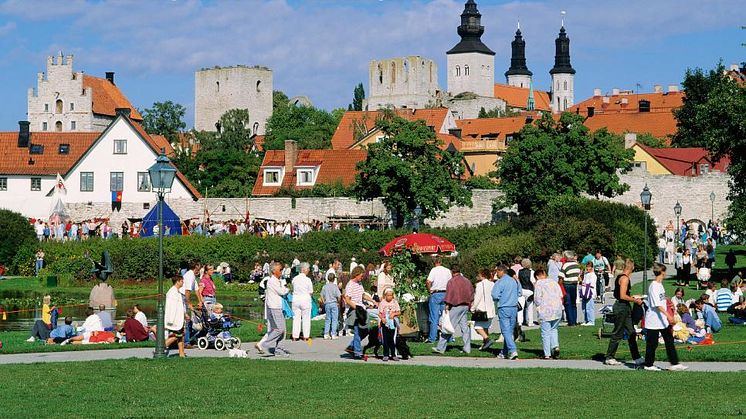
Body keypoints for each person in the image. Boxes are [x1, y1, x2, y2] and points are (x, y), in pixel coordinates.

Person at [643, 263, 688, 371]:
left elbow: (662, 300)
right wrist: (669, 316)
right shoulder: (653, 286)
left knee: (669, 340)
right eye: (665, 271)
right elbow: (657, 305)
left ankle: (674, 363)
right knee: (652, 344)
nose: (665, 273)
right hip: (654, 320)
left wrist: (669, 304)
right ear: (661, 272)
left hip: (662, 320)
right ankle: (648, 365)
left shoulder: (660, 285)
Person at [604, 259, 644, 366]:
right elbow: (622, 295)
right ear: (632, 267)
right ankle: (609, 357)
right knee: (618, 333)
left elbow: (624, 294)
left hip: (625, 307)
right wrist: (635, 300)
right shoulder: (625, 279)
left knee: (631, 333)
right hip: (621, 307)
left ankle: (637, 357)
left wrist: (632, 297)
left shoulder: (621, 277)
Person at [432, 265, 473, 355]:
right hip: (465, 306)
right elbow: (471, 293)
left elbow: (449, 294)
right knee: (465, 328)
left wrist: (447, 304)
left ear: (452, 272)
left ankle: (440, 348)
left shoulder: (451, 282)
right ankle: (467, 348)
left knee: (448, 327)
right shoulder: (467, 281)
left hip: (456, 306)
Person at [344, 266, 377, 359]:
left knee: (365, 330)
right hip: (354, 311)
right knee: (358, 331)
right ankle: (357, 352)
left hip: (361, 310)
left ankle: (351, 346)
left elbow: (362, 295)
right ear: (356, 274)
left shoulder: (359, 283)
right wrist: (357, 308)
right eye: (361, 276)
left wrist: (372, 300)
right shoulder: (350, 285)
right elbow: (347, 299)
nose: (362, 278)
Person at [257, 262, 290, 356]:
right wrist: (287, 290)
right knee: (279, 329)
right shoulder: (272, 281)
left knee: (283, 330)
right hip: (274, 307)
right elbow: (282, 291)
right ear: (274, 271)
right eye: (280, 270)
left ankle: (279, 349)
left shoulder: (278, 280)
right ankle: (264, 343)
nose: (281, 271)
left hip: (279, 307)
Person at [492, 265, 521, 360]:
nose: (496, 274)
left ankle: (512, 350)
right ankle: (504, 352)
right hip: (513, 307)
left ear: (501, 271)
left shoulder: (500, 282)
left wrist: (501, 297)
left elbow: (494, 295)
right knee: (509, 331)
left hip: (504, 307)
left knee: (505, 331)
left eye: (497, 272)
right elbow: (519, 292)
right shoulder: (513, 281)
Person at [533, 268, 563, 359]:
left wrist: (538, 306)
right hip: (557, 309)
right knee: (554, 329)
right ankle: (555, 346)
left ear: (537, 276)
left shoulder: (539, 284)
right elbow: (561, 294)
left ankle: (547, 354)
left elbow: (537, 298)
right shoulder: (553, 282)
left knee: (545, 332)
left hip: (546, 310)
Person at [426, 256, 452, 343]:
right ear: (441, 262)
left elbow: (428, 281)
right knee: (446, 317)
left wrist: (430, 290)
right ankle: (449, 337)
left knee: (434, 317)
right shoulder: (447, 270)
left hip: (436, 293)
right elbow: (450, 282)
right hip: (445, 293)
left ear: (434, 262)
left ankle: (432, 338)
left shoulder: (434, 270)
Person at [471, 268, 496, 351]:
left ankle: (487, 339)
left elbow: (477, 297)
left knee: (477, 327)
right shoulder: (492, 284)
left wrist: (473, 307)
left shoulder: (480, 285)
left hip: (482, 309)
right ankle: (485, 344)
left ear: (482, 275)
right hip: (490, 308)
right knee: (485, 327)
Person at [181, 260, 202, 346]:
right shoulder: (189, 275)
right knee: (186, 320)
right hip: (181, 297)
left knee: (188, 320)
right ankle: (186, 342)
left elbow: (196, 289)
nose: (200, 269)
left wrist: (200, 301)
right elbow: (187, 291)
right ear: (196, 267)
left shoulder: (193, 276)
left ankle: (189, 339)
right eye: (199, 267)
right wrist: (189, 303)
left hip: (184, 297)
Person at [291, 262, 314, 341]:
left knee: (296, 318)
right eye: (308, 269)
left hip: (296, 299)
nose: (308, 270)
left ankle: (295, 336)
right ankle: (306, 336)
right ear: (303, 269)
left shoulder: (295, 279)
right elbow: (311, 291)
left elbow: (293, 287)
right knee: (306, 318)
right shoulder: (308, 280)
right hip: (305, 299)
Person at [164, 277, 186, 358]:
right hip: (175, 319)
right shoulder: (172, 292)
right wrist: (171, 320)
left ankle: (181, 353)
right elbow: (171, 308)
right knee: (177, 335)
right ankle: (161, 347)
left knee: (181, 336)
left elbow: (179, 306)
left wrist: (184, 314)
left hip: (179, 318)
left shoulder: (177, 292)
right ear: (177, 282)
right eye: (182, 281)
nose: (183, 282)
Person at [559, 251, 581, 326]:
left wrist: (559, 285)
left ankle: (570, 321)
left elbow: (561, 277)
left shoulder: (565, 265)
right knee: (573, 303)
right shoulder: (576, 265)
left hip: (567, 285)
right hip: (574, 285)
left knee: (567, 303)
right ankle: (574, 320)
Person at [378, 288, 401, 361]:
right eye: (388, 295)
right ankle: (386, 354)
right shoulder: (382, 303)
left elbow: (399, 312)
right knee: (385, 339)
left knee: (392, 339)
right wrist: (382, 319)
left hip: (392, 323)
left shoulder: (395, 302)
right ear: (385, 295)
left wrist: (394, 314)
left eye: (391, 295)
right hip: (385, 323)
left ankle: (393, 354)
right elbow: (379, 313)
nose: (389, 297)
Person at [320, 272, 341, 340]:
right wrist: (338, 302)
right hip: (334, 303)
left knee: (328, 319)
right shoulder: (335, 286)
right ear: (334, 279)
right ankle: (333, 334)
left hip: (327, 303)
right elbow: (339, 296)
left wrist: (324, 302)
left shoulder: (325, 286)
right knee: (334, 319)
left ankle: (326, 334)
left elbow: (321, 295)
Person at [517, 258, 535, 326]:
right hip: (529, 290)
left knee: (520, 307)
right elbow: (533, 282)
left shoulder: (519, 271)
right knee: (530, 307)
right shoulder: (532, 272)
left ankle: (520, 322)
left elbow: (517, 281)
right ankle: (530, 322)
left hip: (521, 290)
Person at [580, 262, 596, 326]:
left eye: (589, 267)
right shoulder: (586, 274)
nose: (587, 268)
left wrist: (584, 284)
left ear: (592, 267)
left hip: (590, 292)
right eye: (587, 266)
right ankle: (586, 320)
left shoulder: (593, 275)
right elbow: (583, 281)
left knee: (589, 307)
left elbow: (592, 285)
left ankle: (591, 321)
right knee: (584, 307)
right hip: (584, 292)